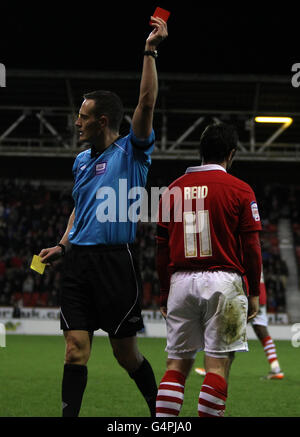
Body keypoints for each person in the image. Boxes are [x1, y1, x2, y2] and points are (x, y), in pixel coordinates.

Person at [39, 15, 168, 417]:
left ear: (103, 120)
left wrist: (149, 50)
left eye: (83, 115)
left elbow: (146, 102)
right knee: (75, 351)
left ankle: (160, 411)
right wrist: (63, 243)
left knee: (125, 355)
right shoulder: (79, 160)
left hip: (116, 263)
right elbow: (81, 203)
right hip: (78, 262)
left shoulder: (132, 151)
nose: (77, 121)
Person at [155, 122, 262, 417]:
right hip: (225, 285)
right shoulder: (241, 190)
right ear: (231, 154)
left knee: (176, 366)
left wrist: (165, 292)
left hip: (180, 284)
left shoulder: (173, 190)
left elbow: (161, 250)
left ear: (200, 151)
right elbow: (252, 248)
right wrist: (253, 291)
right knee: (217, 365)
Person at [195, 269, 284, 380]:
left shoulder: (240, 251)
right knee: (260, 329)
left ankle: (215, 368)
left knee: (227, 330)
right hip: (259, 292)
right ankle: (275, 367)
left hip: (244, 290)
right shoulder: (256, 253)